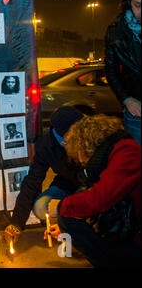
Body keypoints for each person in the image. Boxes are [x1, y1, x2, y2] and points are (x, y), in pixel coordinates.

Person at [46, 114, 141, 268]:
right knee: (70, 218)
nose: (83, 163)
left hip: (136, 238)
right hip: (128, 226)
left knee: (67, 216)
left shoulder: (126, 153)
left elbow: (100, 198)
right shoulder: (112, 153)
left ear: (86, 146)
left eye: (80, 156)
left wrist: (60, 206)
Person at [4, 106, 84, 245]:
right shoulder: (46, 145)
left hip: (91, 187)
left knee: (79, 211)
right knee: (41, 208)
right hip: (67, 186)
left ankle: (75, 227)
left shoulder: (89, 139)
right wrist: (16, 223)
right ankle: (66, 223)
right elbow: (33, 180)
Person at [105, 0, 141, 145]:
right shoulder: (115, 31)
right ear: (129, 3)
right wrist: (127, 99)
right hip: (136, 113)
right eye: (138, 5)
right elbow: (111, 72)